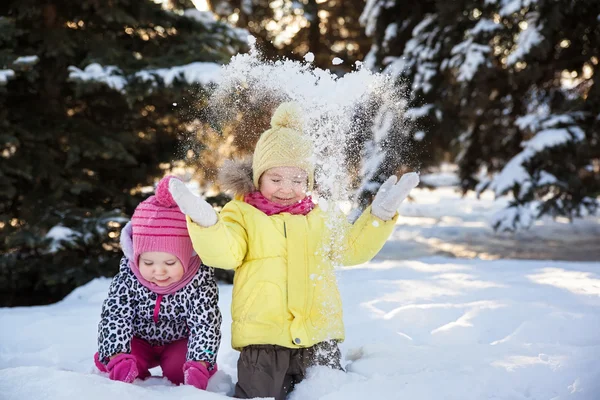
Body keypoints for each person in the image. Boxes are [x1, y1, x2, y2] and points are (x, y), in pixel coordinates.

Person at [168, 102, 419, 399]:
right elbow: (225, 254)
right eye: (276, 179)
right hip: (263, 340)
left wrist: (379, 217)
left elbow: (351, 251)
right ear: (258, 177)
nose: (287, 188)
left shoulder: (322, 215)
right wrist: (208, 224)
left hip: (319, 336)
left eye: (298, 180)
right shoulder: (242, 213)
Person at [94, 176, 222, 390]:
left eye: (170, 262)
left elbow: (206, 325)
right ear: (135, 255)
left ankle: (193, 365)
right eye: (148, 262)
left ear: (187, 255)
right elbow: (115, 317)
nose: (159, 271)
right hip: (139, 339)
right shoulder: (129, 278)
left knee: (178, 370)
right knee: (128, 359)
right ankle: (118, 358)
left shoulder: (198, 282)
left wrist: (200, 362)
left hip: (178, 342)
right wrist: (117, 355)